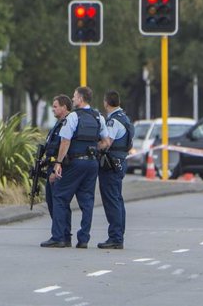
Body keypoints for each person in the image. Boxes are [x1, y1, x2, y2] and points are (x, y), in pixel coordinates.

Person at [41, 86, 110, 248]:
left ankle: (59, 237)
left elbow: (65, 141)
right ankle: (83, 239)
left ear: (80, 98)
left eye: (74, 97)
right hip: (92, 164)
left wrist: (58, 162)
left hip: (74, 163)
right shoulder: (98, 117)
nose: (72, 99)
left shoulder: (73, 117)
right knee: (87, 201)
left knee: (59, 196)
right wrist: (93, 149)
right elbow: (106, 142)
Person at [97, 90, 134, 250]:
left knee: (112, 200)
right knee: (117, 199)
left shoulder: (113, 121)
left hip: (111, 164)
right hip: (120, 162)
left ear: (106, 102)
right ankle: (118, 235)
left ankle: (115, 237)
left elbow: (106, 143)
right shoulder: (125, 118)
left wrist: (92, 147)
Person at [43, 95, 73, 242]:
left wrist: (56, 166)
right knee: (54, 201)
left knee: (57, 202)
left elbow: (64, 145)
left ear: (64, 107)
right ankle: (64, 234)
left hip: (59, 167)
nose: (53, 109)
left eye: (55, 106)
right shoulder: (58, 124)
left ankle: (59, 236)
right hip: (52, 164)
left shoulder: (67, 123)